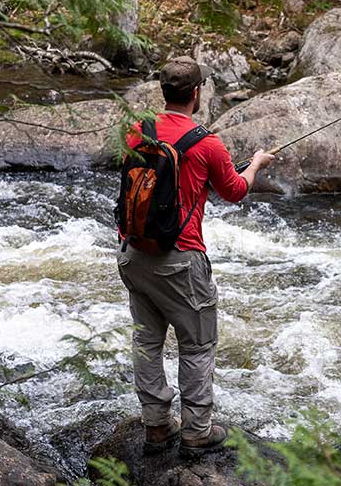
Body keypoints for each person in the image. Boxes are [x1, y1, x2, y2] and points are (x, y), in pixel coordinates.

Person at [117, 56, 275, 457]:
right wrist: (256, 164)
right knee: (197, 346)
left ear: (164, 92)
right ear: (198, 93)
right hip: (181, 258)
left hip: (134, 253)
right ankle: (196, 433)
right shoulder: (207, 143)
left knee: (147, 343)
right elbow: (236, 191)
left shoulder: (138, 130)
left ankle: (156, 427)